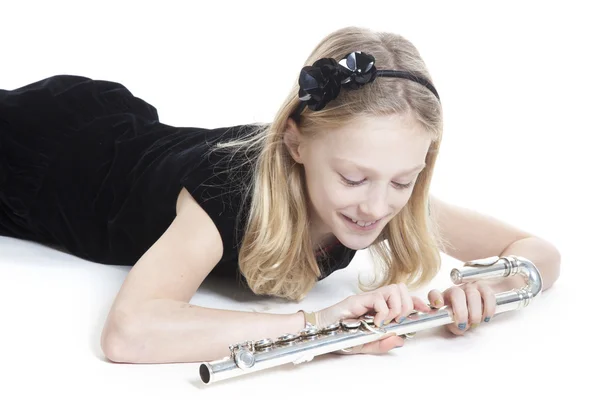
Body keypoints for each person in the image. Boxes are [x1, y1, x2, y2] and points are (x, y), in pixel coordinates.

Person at [0, 26, 560, 364]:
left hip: (118, 132)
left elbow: (538, 250)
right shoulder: (228, 193)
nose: (376, 207)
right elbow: (129, 334)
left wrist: (492, 285)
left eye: (403, 179)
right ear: (294, 142)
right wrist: (323, 327)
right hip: (39, 155)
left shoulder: (382, 195)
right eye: (352, 178)